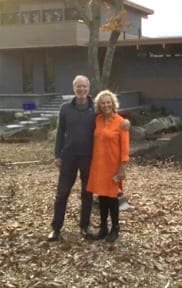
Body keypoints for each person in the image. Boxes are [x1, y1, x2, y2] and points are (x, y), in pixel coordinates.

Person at [48, 75, 96, 241]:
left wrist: (125, 125)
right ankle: (56, 228)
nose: (81, 89)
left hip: (89, 157)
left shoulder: (95, 108)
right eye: (78, 86)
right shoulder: (65, 108)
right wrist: (57, 155)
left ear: (88, 88)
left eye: (84, 86)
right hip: (68, 157)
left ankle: (85, 226)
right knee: (62, 193)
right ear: (74, 88)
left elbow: (112, 121)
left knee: (87, 193)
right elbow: (60, 133)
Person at [87, 90, 130, 243]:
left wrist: (122, 168)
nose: (106, 105)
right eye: (103, 103)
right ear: (99, 105)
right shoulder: (97, 120)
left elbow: (125, 147)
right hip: (99, 165)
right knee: (102, 197)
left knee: (112, 198)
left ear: (113, 103)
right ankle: (103, 228)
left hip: (113, 166)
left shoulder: (121, 122)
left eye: (108, 102)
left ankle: (115, 228)